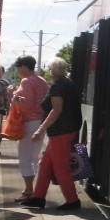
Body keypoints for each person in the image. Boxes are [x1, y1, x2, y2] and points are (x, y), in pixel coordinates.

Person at [19, 58, 83, 211]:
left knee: (61, 167)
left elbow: (56, 110)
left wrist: (41, 129)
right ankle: (38, 197)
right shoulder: (70, 84)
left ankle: (73, 200)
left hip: (60, 131)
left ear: (53, 71)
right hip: (68, 129)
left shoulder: (58, 87)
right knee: (46, 164)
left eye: (50, 69)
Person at [10, 55, 50, 201]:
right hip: (41, 122)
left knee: (25, 157)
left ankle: (28, 190)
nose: (18, 71)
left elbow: (27, 103)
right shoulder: (42, 81)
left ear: (24, 67)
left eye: (18, 67)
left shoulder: (26, 81)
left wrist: (14, 97)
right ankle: (31, 189)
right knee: (33, 156)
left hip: (29, 122)